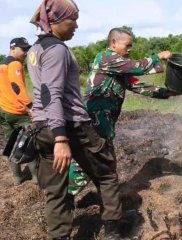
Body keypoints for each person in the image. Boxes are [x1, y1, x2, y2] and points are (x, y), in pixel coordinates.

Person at [27, 1, 124, 239]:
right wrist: (61, 138)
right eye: (73, 20)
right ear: (57, 21)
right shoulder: (57, 50)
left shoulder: (34, 50)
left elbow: (41, 92)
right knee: (106, 173)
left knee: (56, 190)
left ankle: (58, 236)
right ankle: (114, 229)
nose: (77, 26)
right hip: (69, 126)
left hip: (42, 127)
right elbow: (51, 92)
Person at [67, 28, 175, 195]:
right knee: (87, 164)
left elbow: (138, 86)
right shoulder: (106, 58)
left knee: (103, 164)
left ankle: (108, 202)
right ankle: (64, 199)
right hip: (93, 124)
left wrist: (168, 93)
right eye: (127, 45)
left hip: (104, 126)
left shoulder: (118, 68)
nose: (130, 49)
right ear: (113, 43)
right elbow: (138, 67)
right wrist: (158, 56)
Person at [0, 37, 37, 185]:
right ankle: (35, 177)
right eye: (23, 49)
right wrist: (30, 107)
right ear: (13, 48)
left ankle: (17, 177)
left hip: (3, 111)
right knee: (30, 143)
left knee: (11, 143)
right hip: (17, 112)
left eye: (27, 49)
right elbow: (17, 87)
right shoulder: (15, 64)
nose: (26, 52)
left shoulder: (2, 64)